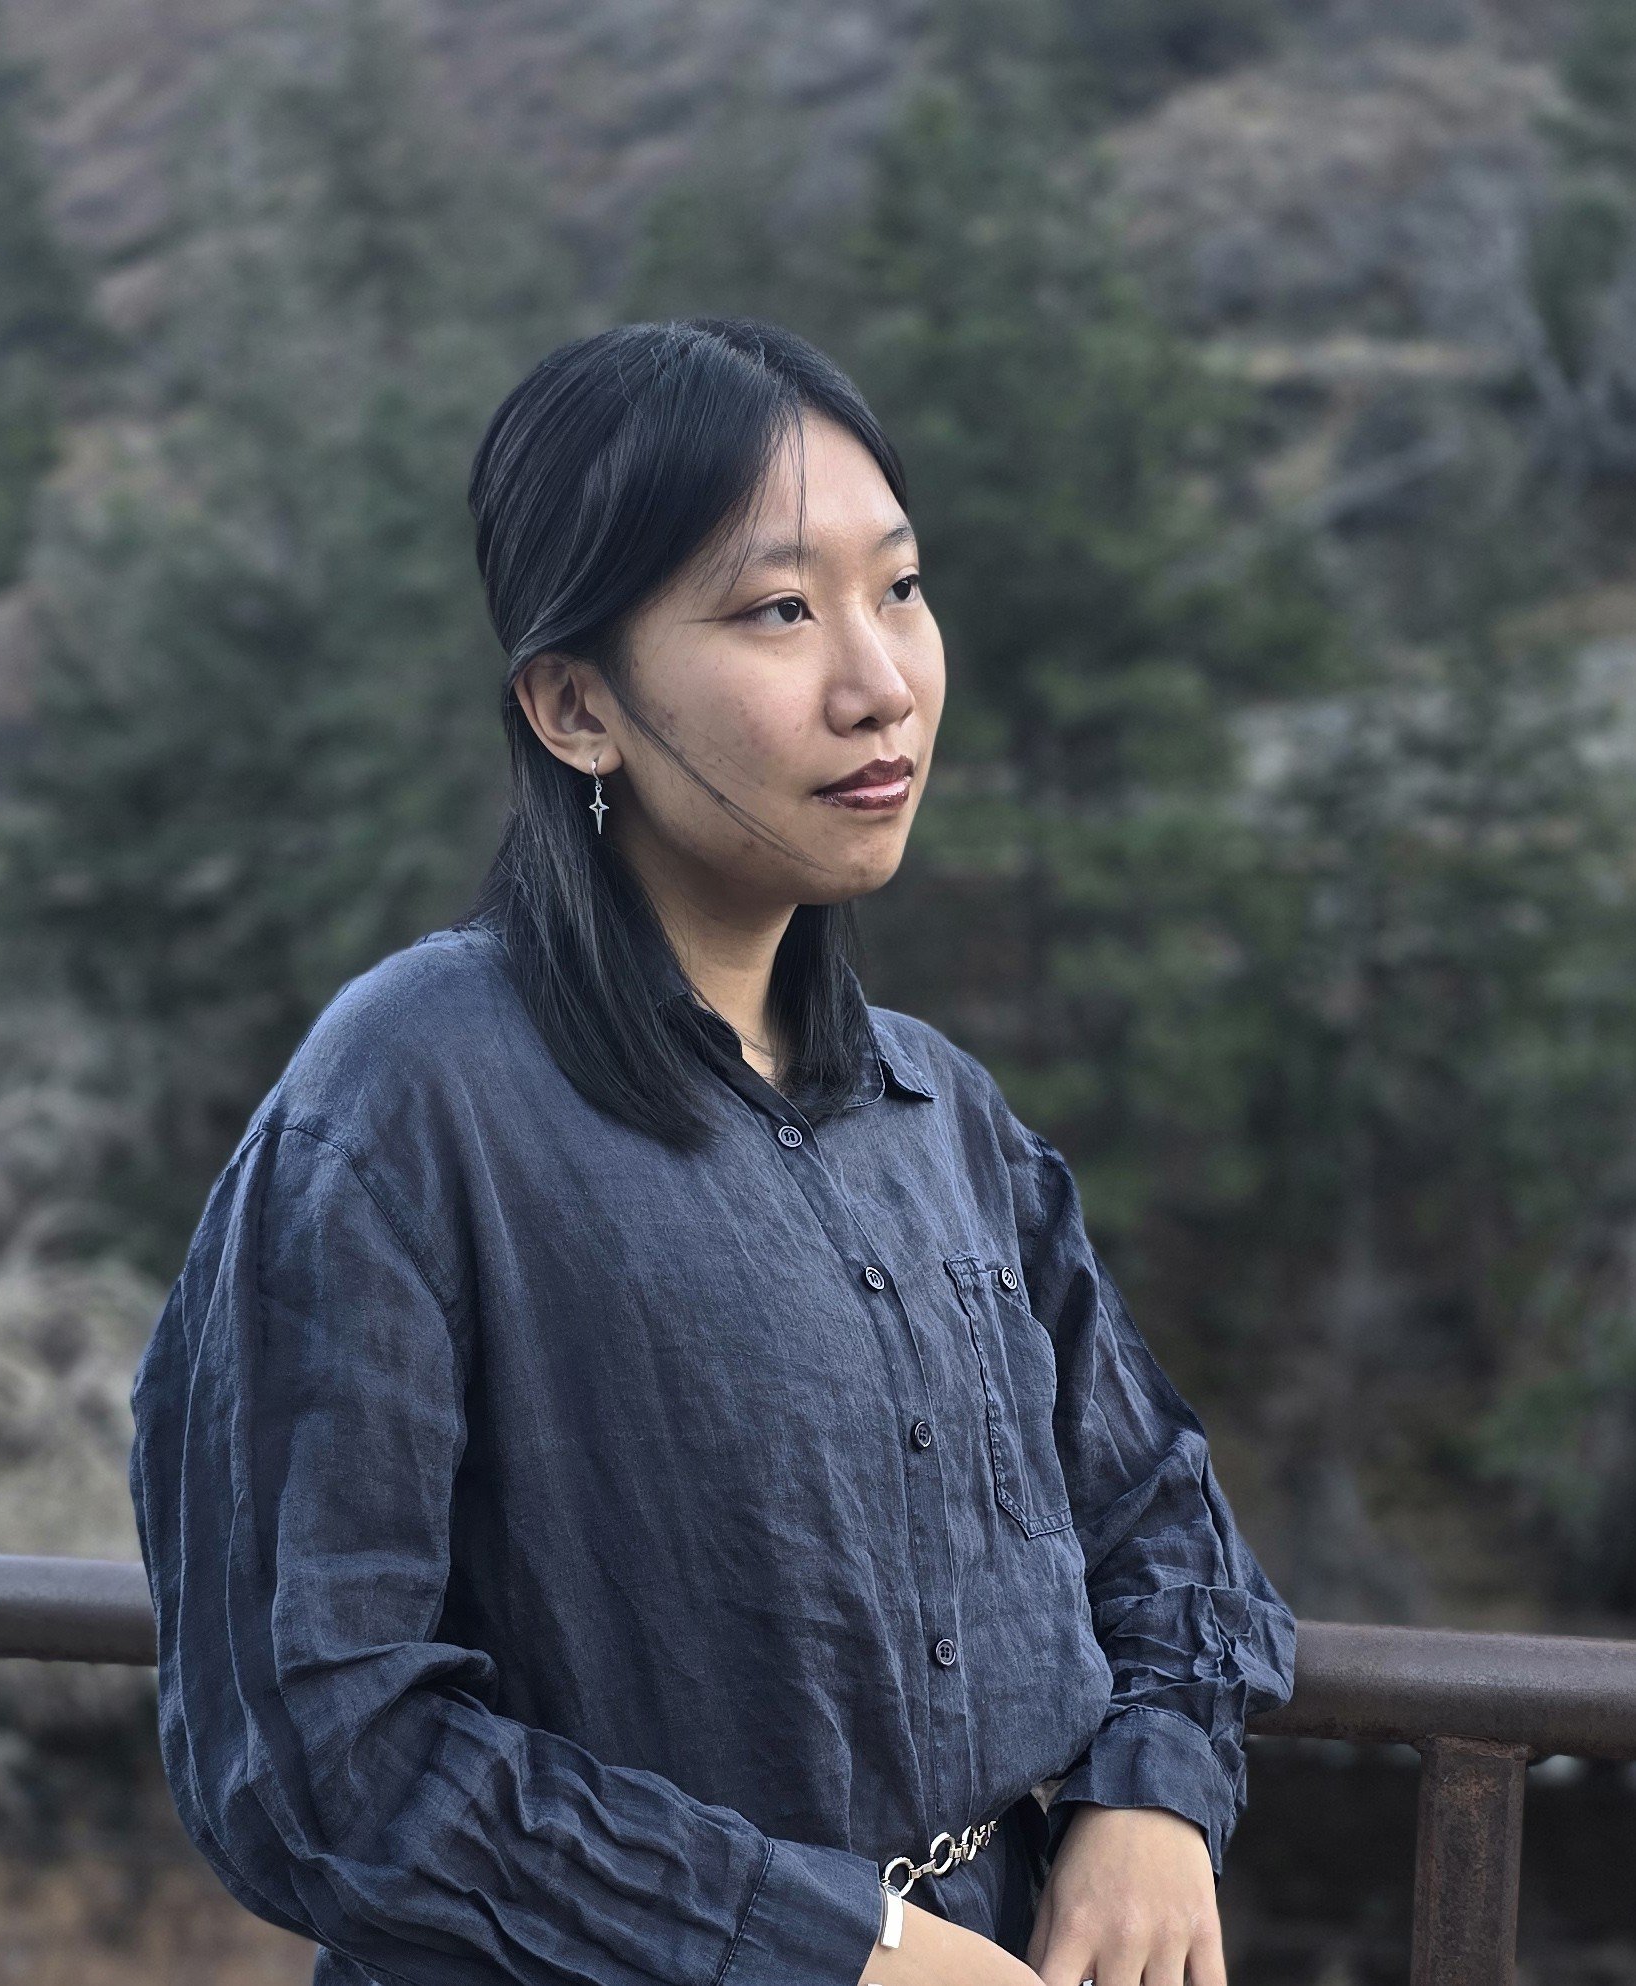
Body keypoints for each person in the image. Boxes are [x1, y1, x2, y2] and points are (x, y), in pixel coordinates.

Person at [127, 317, 1296, 1986]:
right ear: (575, 706)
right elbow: (315, 1749)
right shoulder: (404, 1100)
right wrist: (833, 1946)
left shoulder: (942, 1114)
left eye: (899, 588)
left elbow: (1159, 1512)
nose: (879, 683)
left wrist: (1150, 1795)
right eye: (777, 611)